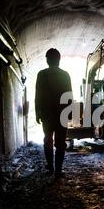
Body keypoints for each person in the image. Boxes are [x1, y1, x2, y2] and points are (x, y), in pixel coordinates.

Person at [35, 48, 72, 176]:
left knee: (48, 139)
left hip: (47, 114)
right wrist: (70, 112)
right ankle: (58, 170)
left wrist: (37, 112)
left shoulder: (42, 74)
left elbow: (38, 95)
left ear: (47, 60)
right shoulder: (65, 75)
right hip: (62, 113)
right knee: (60, 142)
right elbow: (69, 95)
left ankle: (50, 167)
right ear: (59, 60)